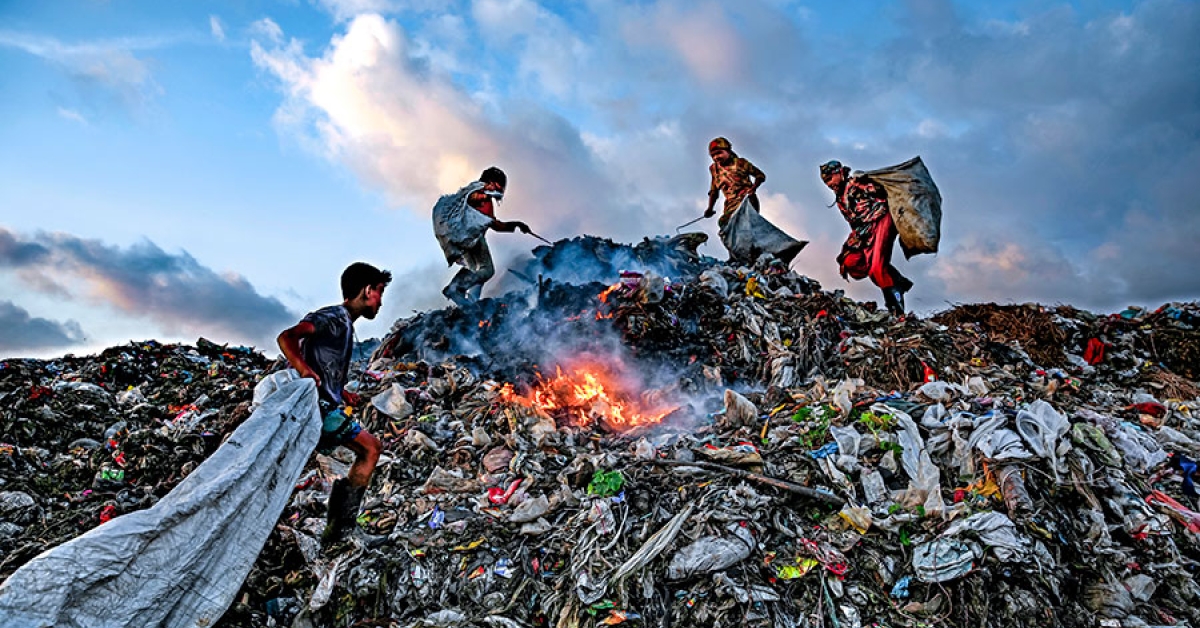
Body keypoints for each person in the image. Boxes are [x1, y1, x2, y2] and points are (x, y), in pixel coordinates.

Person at [277, 262, 391, 543]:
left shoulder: (344, 325)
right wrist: (304, 370)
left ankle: (339, 529)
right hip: (316, 407)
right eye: (379, 292)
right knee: (371, 448)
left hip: (324, 403)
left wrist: (341, 392)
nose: (380, 301)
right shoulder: (335, 317)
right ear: (367, 291)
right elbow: (287, 337)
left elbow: (323, 361)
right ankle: (343, 530)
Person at [820, 160, 913, 317]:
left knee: (877, 268)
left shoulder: (857, 184)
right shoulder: (840, 200)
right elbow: (853, 222)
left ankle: (897, 311)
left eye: (830, 178)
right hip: (864, 231)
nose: (829, 184)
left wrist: (865, 184)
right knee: (850, 262)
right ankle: (897, 282)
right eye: (825, 181)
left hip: (881, 220)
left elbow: (882, 192)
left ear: (840, 173)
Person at [438, 167, 531, 305]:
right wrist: (485, 195)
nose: (501, 190)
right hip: (473, 238)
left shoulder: (484, 197)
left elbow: (493, 223)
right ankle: (455, 288)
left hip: (463, 239)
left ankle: (471, 303)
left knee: (475, 271)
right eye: (499, 185)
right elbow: (472, 198)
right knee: (487, 271)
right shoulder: (478, 192)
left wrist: (516, 225)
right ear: (492, 182)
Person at [704, 137, 766, 227]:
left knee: (741, 222)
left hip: (746, 199)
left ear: (728, 151)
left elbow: (760, 176)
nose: (716, 157)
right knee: (724, 224)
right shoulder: (714, 169)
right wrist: (710, 208)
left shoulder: (740, 163)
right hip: (730, 204)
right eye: (713, 155)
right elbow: (714, 191)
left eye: (719, 153)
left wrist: (753, 189)